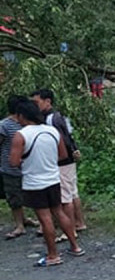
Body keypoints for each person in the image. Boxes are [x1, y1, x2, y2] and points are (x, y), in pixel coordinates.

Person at [8, 100, 83, 266]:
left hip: (34, 182)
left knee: (45, 218)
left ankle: (53, 255)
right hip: (53, 179)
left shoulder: (21, 135)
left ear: (21, 116)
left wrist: (28, 162)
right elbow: (63, 155)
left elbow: (13, 162)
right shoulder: (51, 131)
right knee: (59, 212)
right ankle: (75, 246)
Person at [30, 89, 86, 234]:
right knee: (72, 192)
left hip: (62, 160)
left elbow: (61, 140)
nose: (35, 105)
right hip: (68, 158)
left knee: (65, 197)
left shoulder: (50, 119)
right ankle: (79, 223)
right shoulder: (58, 116)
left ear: (47, 101)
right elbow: (69, 136)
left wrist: (59, 156)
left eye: (37, 102)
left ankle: (70, 229)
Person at [0, 95, 27, 239]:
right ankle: (19, 224)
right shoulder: (4, 125)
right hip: (10, 168)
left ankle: (26, 220)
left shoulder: (27, 123)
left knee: (31, 196)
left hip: (28, 167)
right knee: (14, 197)